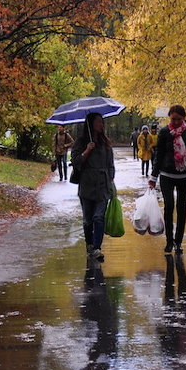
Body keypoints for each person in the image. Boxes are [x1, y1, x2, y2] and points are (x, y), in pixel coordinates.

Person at [149, 105, 186, 254]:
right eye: (173, 119)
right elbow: (159, 154)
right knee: (169, 206)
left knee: (182, 208)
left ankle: (179, 242)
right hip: (167, 175)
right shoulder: (165, 132)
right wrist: (153, 176)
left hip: (185, 175)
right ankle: (169, 241)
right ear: (169, 118)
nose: (176, 122)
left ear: (184, 118)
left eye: (179, 119)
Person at [72, 111, 116, 261]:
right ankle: (89, 244)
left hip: (103, 185)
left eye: (101, 122)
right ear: (90, 124)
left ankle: (97, 247)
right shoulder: (81, 142)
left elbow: (111, 164)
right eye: (98, 122)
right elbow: (76, 162)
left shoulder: (105, 143)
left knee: (98, 217)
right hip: (86, 185)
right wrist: (87, 150)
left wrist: (110, 178)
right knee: (87, 219)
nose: (100, 125)